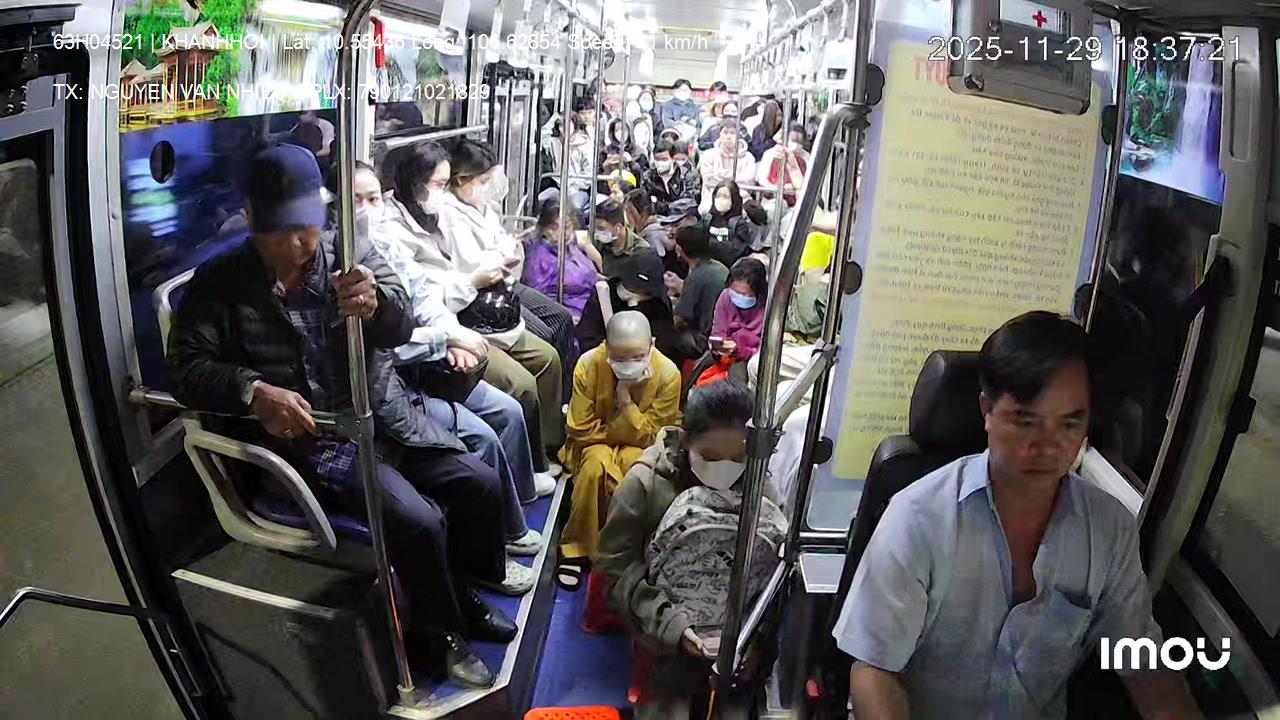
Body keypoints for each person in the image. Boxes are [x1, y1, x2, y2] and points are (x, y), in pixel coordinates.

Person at [168, 143, 514, 689]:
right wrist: (252, 390)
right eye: (282, 231)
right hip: (315, 439)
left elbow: (401, 324)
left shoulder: (351, 253)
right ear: (252, 220)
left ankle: (462, 592)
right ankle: (438, 635)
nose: (299, 244)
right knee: (418, 519)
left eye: (306, 226)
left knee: (479, 482)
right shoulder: (221, 282)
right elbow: (186, 369)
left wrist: (377, 306)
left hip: (382, 414)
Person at [832, 311, 1203, 720]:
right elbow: (874, 670)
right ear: (987, 410)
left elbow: (1145, 666)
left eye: (1069, 424)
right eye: (1026, 421)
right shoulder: (919, 518)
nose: (1047, 447)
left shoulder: (1109, 529)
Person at [354, 161, 557, 535]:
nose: (368, 210)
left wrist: (450, 335)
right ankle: (508, 531)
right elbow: (386, 344)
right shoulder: (352, 269)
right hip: (405, 376)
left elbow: (425, 299)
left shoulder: (388, 246)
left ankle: (522, 496)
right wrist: (445, 340)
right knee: (490, 429)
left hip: (437, 350)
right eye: (357, 201)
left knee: (509, 409)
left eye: (373, 199)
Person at [596, 380, 779, 719]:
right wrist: (672, 628)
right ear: (685, 440)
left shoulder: (756, 482)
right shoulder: (646, 485)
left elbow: (776, 572)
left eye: (737, 458)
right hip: (663, 630)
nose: (725, 468)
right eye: (710, 457)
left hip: (739, 634)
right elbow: (616, 571)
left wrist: (754, 638)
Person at [381, 141, 565, 475]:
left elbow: (432, 294)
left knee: (550, 349)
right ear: (415, 181)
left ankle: (548, 448)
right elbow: (426, 294)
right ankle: (529, 470)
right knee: (518, 389)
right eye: (440, 184)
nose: (444, 192)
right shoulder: (392, 231)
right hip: (454, 319)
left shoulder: (434, 213)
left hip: (461, 315)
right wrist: (452, 333)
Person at [557, 311, 682, 591]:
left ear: (652, 344)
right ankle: (577, 548)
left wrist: (625, 400)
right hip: (592, 446)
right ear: (606, 348)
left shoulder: (667, 373)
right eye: (620, 358)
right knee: (594, 466)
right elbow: (580, 429)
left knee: (634, 468)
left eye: (637, 357)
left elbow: (656, 436)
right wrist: (625, 428)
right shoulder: (589, 364)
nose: (628, 365)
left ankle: (622, 553)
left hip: (639, 448)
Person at [576, 253, 678, 360]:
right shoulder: (603, 297)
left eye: (643, 292)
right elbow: (587, 337)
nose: (636, 293)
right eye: (633, 289)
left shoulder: (659, 304)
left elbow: (666, 344)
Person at [521, 198, 601, 320]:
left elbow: (597, 260)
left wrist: (586, 244)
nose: (561, 232)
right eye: (554, 227)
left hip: (593, 306)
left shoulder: (573, 245)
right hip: (571, 316)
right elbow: (535, 300)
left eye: (566, 226)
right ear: (544, 228)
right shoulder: (540, 258)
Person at [666, 224, 729, 364]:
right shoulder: (720, 267)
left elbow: (679, 319)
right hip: (723, 332)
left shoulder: (695, 278)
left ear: (680, 249)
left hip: (705, 340)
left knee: (666, 336)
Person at [710, 256, 768, 363]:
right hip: (726, 356)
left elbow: (766, 352)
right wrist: (717, 347)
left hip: (754, 361)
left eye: (745, 294)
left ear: (758, 293)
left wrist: (740, 351)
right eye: (736, 292)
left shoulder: (767, 308)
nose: (739, 297)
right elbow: (718, 331)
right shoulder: (726, 297)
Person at [696, 123, 755, 215]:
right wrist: (733, 178)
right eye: (725, 132)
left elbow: (749, 182)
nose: (728, 136)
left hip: (741, 195)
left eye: (732, 133)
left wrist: (722, 175)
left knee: (747, 212)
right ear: (720, 135)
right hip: (712, 194)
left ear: (739, 136)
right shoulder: (708, 155)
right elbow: (708, 179)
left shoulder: (749, 157)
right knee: (705, 209)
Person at [592, 198, 656, 280]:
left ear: (618, 228)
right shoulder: (599, 244)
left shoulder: (640, 250)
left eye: (601, 228)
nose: (597, 233)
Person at [704, 180, 756, 266]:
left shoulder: (739, 224)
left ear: (734, 199)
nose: (721, 199)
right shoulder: (708, 218)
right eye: (718, 196)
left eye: (725, 196)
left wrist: (711, 243)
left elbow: (736, 252)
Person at [756, 123, 808, 208]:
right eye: (793, 140)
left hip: (797, 202)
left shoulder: (806, 158)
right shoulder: (770, 154)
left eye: (799, 142)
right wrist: (780, 188)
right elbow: (762, 180)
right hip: (772, 200)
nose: (796, 145)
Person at [640, 139, 697, 215]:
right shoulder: (648, 177)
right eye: (657, 159)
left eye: (664, 159)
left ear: (673, 159)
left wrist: (665, 206)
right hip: (655, 218)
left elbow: (688, 202)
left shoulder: (685, 176)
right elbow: (645, 202)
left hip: (680, 217)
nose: (660, 163)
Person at [655, 198, 699, 279]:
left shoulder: (707, 250)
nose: (671, 232)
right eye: (670, 226)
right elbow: (669, 278)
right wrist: (670, 251)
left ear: (693, 221)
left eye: (676, 225)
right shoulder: (676, 250)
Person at [624, 189, 669, 257]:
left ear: (642, 213)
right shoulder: (643, 230)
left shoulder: (653, 234)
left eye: (628, 211)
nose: (625, 216)